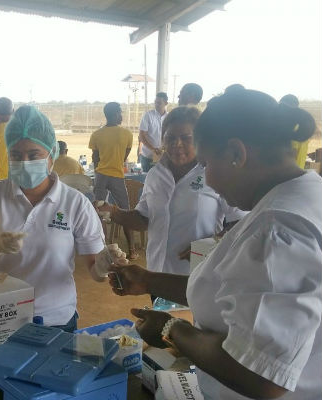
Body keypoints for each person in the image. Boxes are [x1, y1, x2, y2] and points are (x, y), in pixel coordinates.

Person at [107, 89, 321, 399]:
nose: (206, 179)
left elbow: (261, 375)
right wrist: (149, 279)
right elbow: (237, 291)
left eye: (206, 163)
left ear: (236, 153)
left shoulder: (278, 229)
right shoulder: (304, 195)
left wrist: (171, 330)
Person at [0, 105, 104, 332]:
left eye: (34, 155)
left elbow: (96, 271)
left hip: (56, 318)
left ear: (51, 155)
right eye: (16, 155)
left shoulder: (74, 203)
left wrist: (106, 264)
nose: (25, 162)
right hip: (0, 315)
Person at [97, 107, 246, 279]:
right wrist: (114, 213)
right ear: (163, 140)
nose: (177, 144)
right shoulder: (155, 174)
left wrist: (211, 244)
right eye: (170, 138)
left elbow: (241, 222)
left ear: (200, 140)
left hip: (198, 276)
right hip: (156, 274)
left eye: (186, 138)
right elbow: (144, 218)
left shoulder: (215, 173)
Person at [89, 102, 136, 259]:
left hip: (101, 176)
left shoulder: (96, 135)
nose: (121, 115)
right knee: (126, 212)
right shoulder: (126, 134)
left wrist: (100, 171)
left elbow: (95, 158)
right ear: (115, 114)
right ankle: (132, 250)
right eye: (120, 112)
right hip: (117, 176)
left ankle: (103, 249)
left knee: (100, 212)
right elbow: (124, 155)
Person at [138, 92, 168, 173]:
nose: (156, 105)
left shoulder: (169, 117)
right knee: (146, 180)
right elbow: (142, 135)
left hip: (163, 157)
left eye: (159, 103)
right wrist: (153, 149)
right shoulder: (148, 115)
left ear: (166, 103)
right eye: (155, 102)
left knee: (162, 181)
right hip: (147, 157)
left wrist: (164, 148)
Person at [280, 94, 310, 169]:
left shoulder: (291, 129)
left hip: (289, 172)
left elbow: (293, 152)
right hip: (298, 170)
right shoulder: (302, 127)